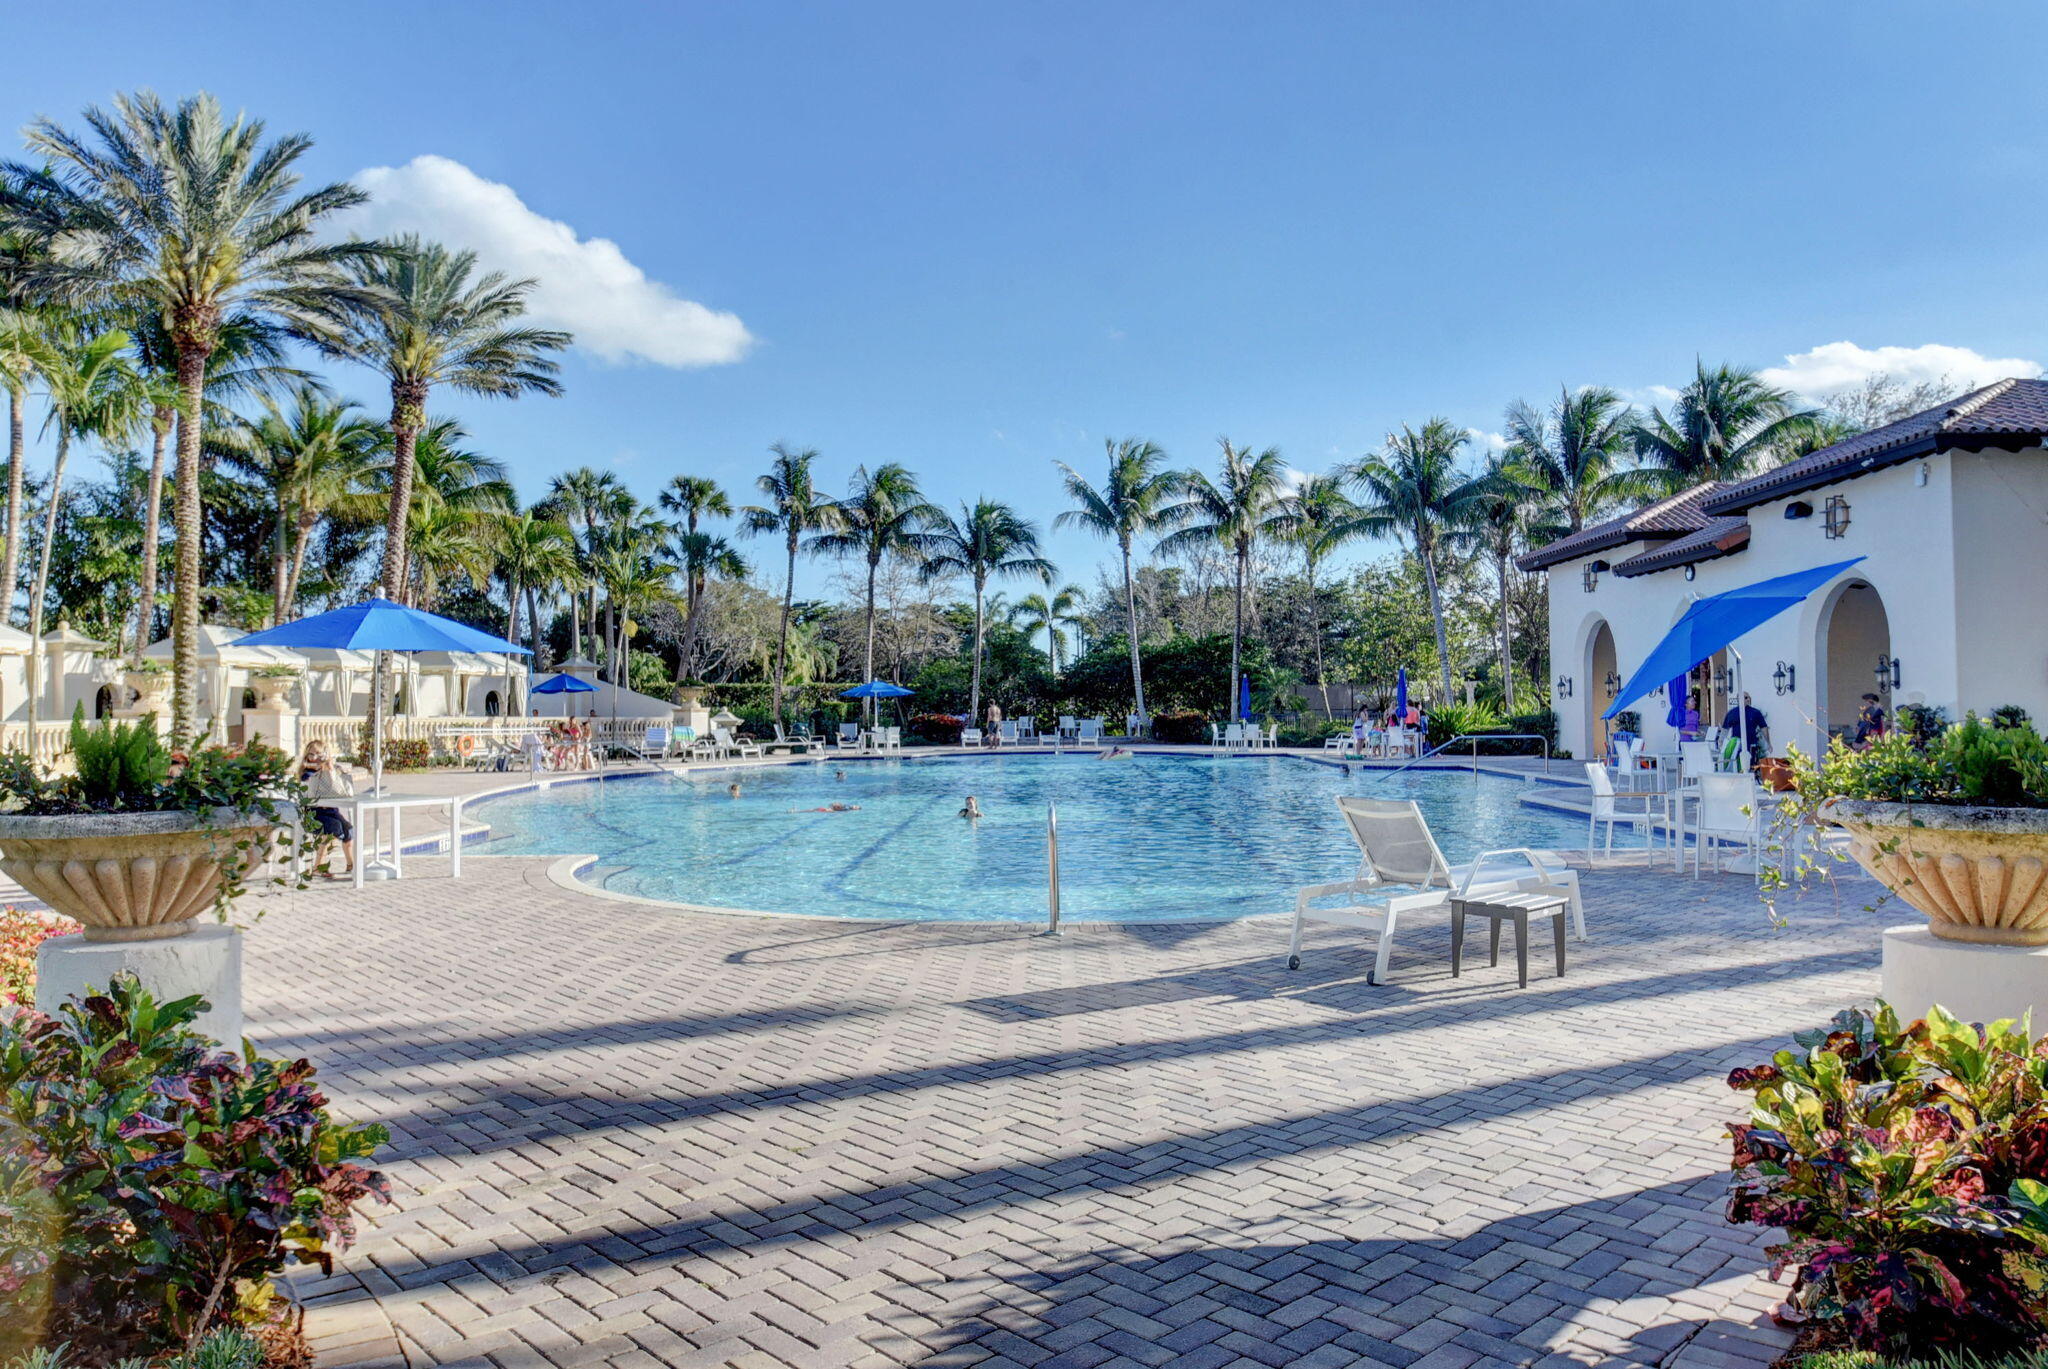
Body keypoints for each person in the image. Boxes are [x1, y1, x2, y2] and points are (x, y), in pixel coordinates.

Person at [298, 741, 356, 879]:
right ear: (307, 757)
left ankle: (351, 864)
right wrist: (320, 769)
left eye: (319, 754)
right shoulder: (307, 774)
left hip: (331, 812)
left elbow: (336, 789)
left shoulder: (331, 769)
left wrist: (330, 770)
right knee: (333, 828)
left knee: (348, 829)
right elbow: (311, 789)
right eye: (311, 754)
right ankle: (318, 866)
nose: (315, 757)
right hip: (313, 814)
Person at [1722, 692, 1769, 761]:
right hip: (1736, 745)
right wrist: (1721, 742)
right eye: (1746, 697)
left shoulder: (1755, 712)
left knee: (1750, 764)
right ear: (1739, 699)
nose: (1748, 699)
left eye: (1749, 697)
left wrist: (1768, 743)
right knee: (1737, 764)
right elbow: (1725, 729)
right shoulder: (1732, 713)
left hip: (1751, 744)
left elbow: (1763, 727)